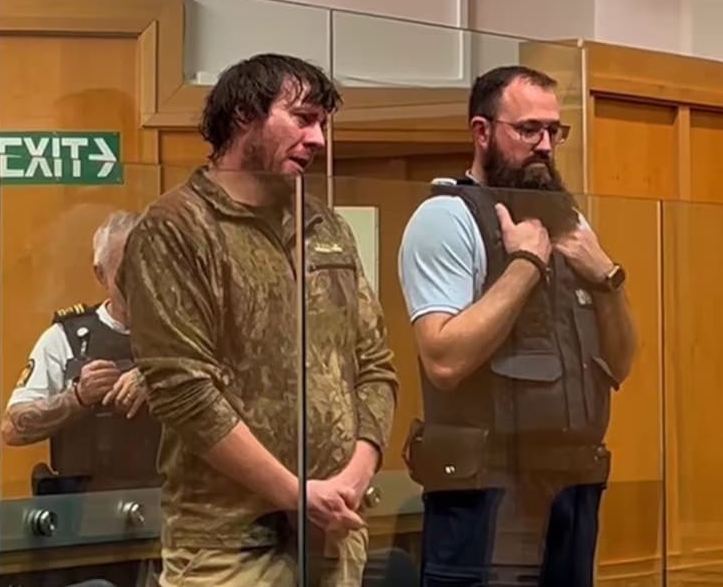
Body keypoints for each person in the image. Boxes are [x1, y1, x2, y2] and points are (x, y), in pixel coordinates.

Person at [117, 53, 400, 586]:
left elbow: (376, 366)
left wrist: (352, 478)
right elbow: (184, 390)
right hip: (229, 542)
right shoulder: (176, 228)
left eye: (322, 123)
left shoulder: (327, 226)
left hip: (334, 531)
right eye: (302, 118)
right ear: (246, 114)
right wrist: (294, 492)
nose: (318, 139)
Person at [397, 65, 638, 586]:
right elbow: (443, 359)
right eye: (528, 129)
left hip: (573, 488)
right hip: (486, 494)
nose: (546, 145)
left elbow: (619, 364)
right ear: (482, 132)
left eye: (554, 130)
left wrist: (608, 279)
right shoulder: (447, 218)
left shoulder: (570, 223)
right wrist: (526, 266)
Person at [1, 210, 160, 494]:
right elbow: (11, 429)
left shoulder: (183, 333)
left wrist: (159, 378)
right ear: (100, 274)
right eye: (126, 269)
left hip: (170, 502)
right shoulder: (66, 339)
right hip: (86, 508)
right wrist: (77, 398)